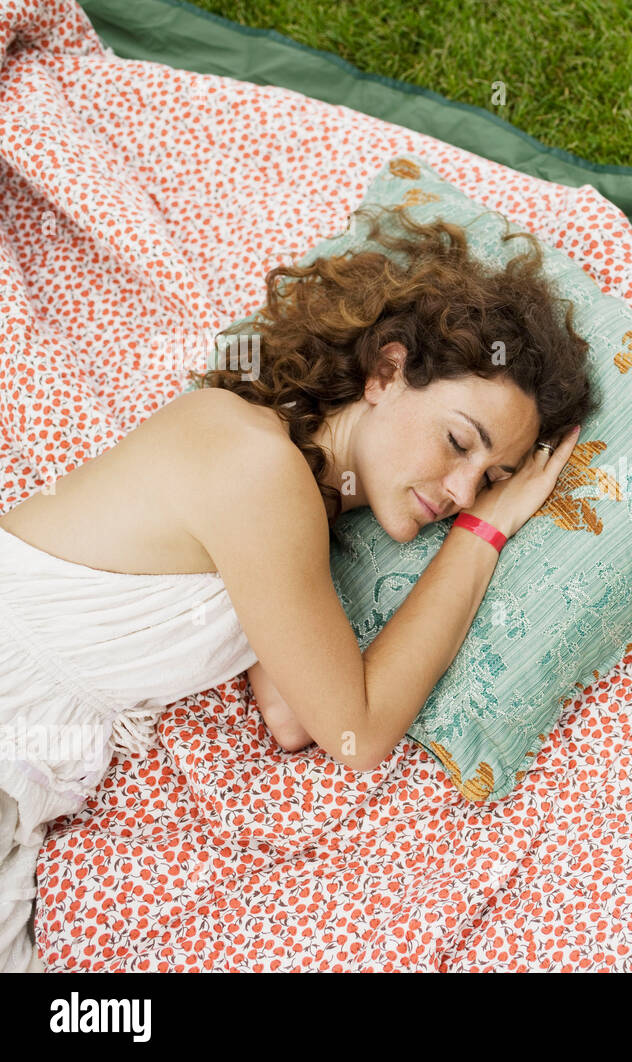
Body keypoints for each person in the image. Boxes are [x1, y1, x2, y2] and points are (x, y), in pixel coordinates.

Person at [0, 203, 599, 971]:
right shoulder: (257, 466)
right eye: (458, 442)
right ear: (386, 373)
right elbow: (361, 730)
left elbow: (293, 717)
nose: (461, 488)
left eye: (492, 480)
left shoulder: (299, 504)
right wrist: (485, 534)